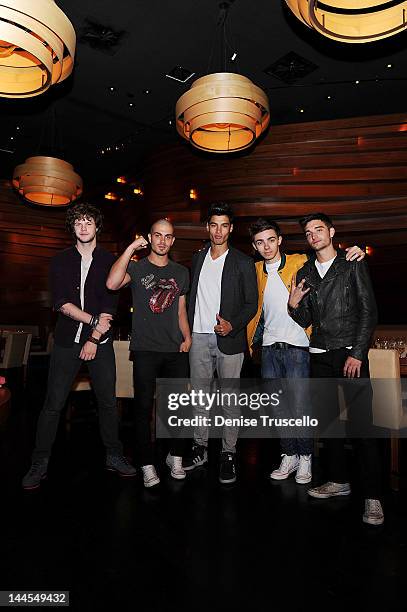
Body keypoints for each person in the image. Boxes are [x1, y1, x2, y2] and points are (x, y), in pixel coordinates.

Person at [22, 203, 136, 490]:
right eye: (78, 223)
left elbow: (111, 306)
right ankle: (40, 462)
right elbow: (61, 303)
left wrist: (94, 337)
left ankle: (114, 455)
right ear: (72, 228)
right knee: (53, 404)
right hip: (66, 342)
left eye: (89, 222)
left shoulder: (111, 260)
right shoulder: (60, 260)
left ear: (97, 227)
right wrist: (93, 322)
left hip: (101, 342)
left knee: (108, 403)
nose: (84, 227)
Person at [247, 218, 365, 484]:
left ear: (280, 240)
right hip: (268, 347)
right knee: (279, 408)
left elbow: (327, 256)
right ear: (254, 246)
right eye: (259, 242)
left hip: (299, 346)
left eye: (270, 240)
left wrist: (354, 250)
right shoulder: (253, 269)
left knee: (300, 406)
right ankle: (289, 454)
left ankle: (306, 457)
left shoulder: (301, 262)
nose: (266, 247)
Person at [288, 212, 383, 526]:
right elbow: (305, 322)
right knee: (329, 425)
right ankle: (338, 481)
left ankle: (372, 497)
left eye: (319, 229)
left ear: (331, 231)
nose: (314, 235)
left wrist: (357, 353)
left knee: (362, 427)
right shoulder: (305, 271)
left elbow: (369, 310)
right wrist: (293, 303)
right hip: (319, 354)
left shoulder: (352, 262)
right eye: (309, 231)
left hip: (349, 354)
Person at [106, 219, 191, 487]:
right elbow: (111, 283)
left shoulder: (181, 272)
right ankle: (146, 463)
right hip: (145, 350)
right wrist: (132, 247)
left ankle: (175, 457)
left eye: (168, 236)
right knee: (142, 409)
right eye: (158, 235)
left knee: (178, 407)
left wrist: (187, 337)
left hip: (175, 349)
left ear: (173, 241)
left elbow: (180, 310)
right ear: (150, 238)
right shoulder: (138, 266)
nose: (163, 241)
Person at [184, 202, 258, 484]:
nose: (218, 230)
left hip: (229, 340)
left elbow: (251, 303)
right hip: (199, 338)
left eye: (224, 225)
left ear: (231, 229)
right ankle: (200, 448)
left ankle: (228, 454)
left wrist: (232, 324)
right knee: (200, 399)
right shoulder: (198, 257)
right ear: (207, 227)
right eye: (213, 224)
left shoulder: (242, 261)